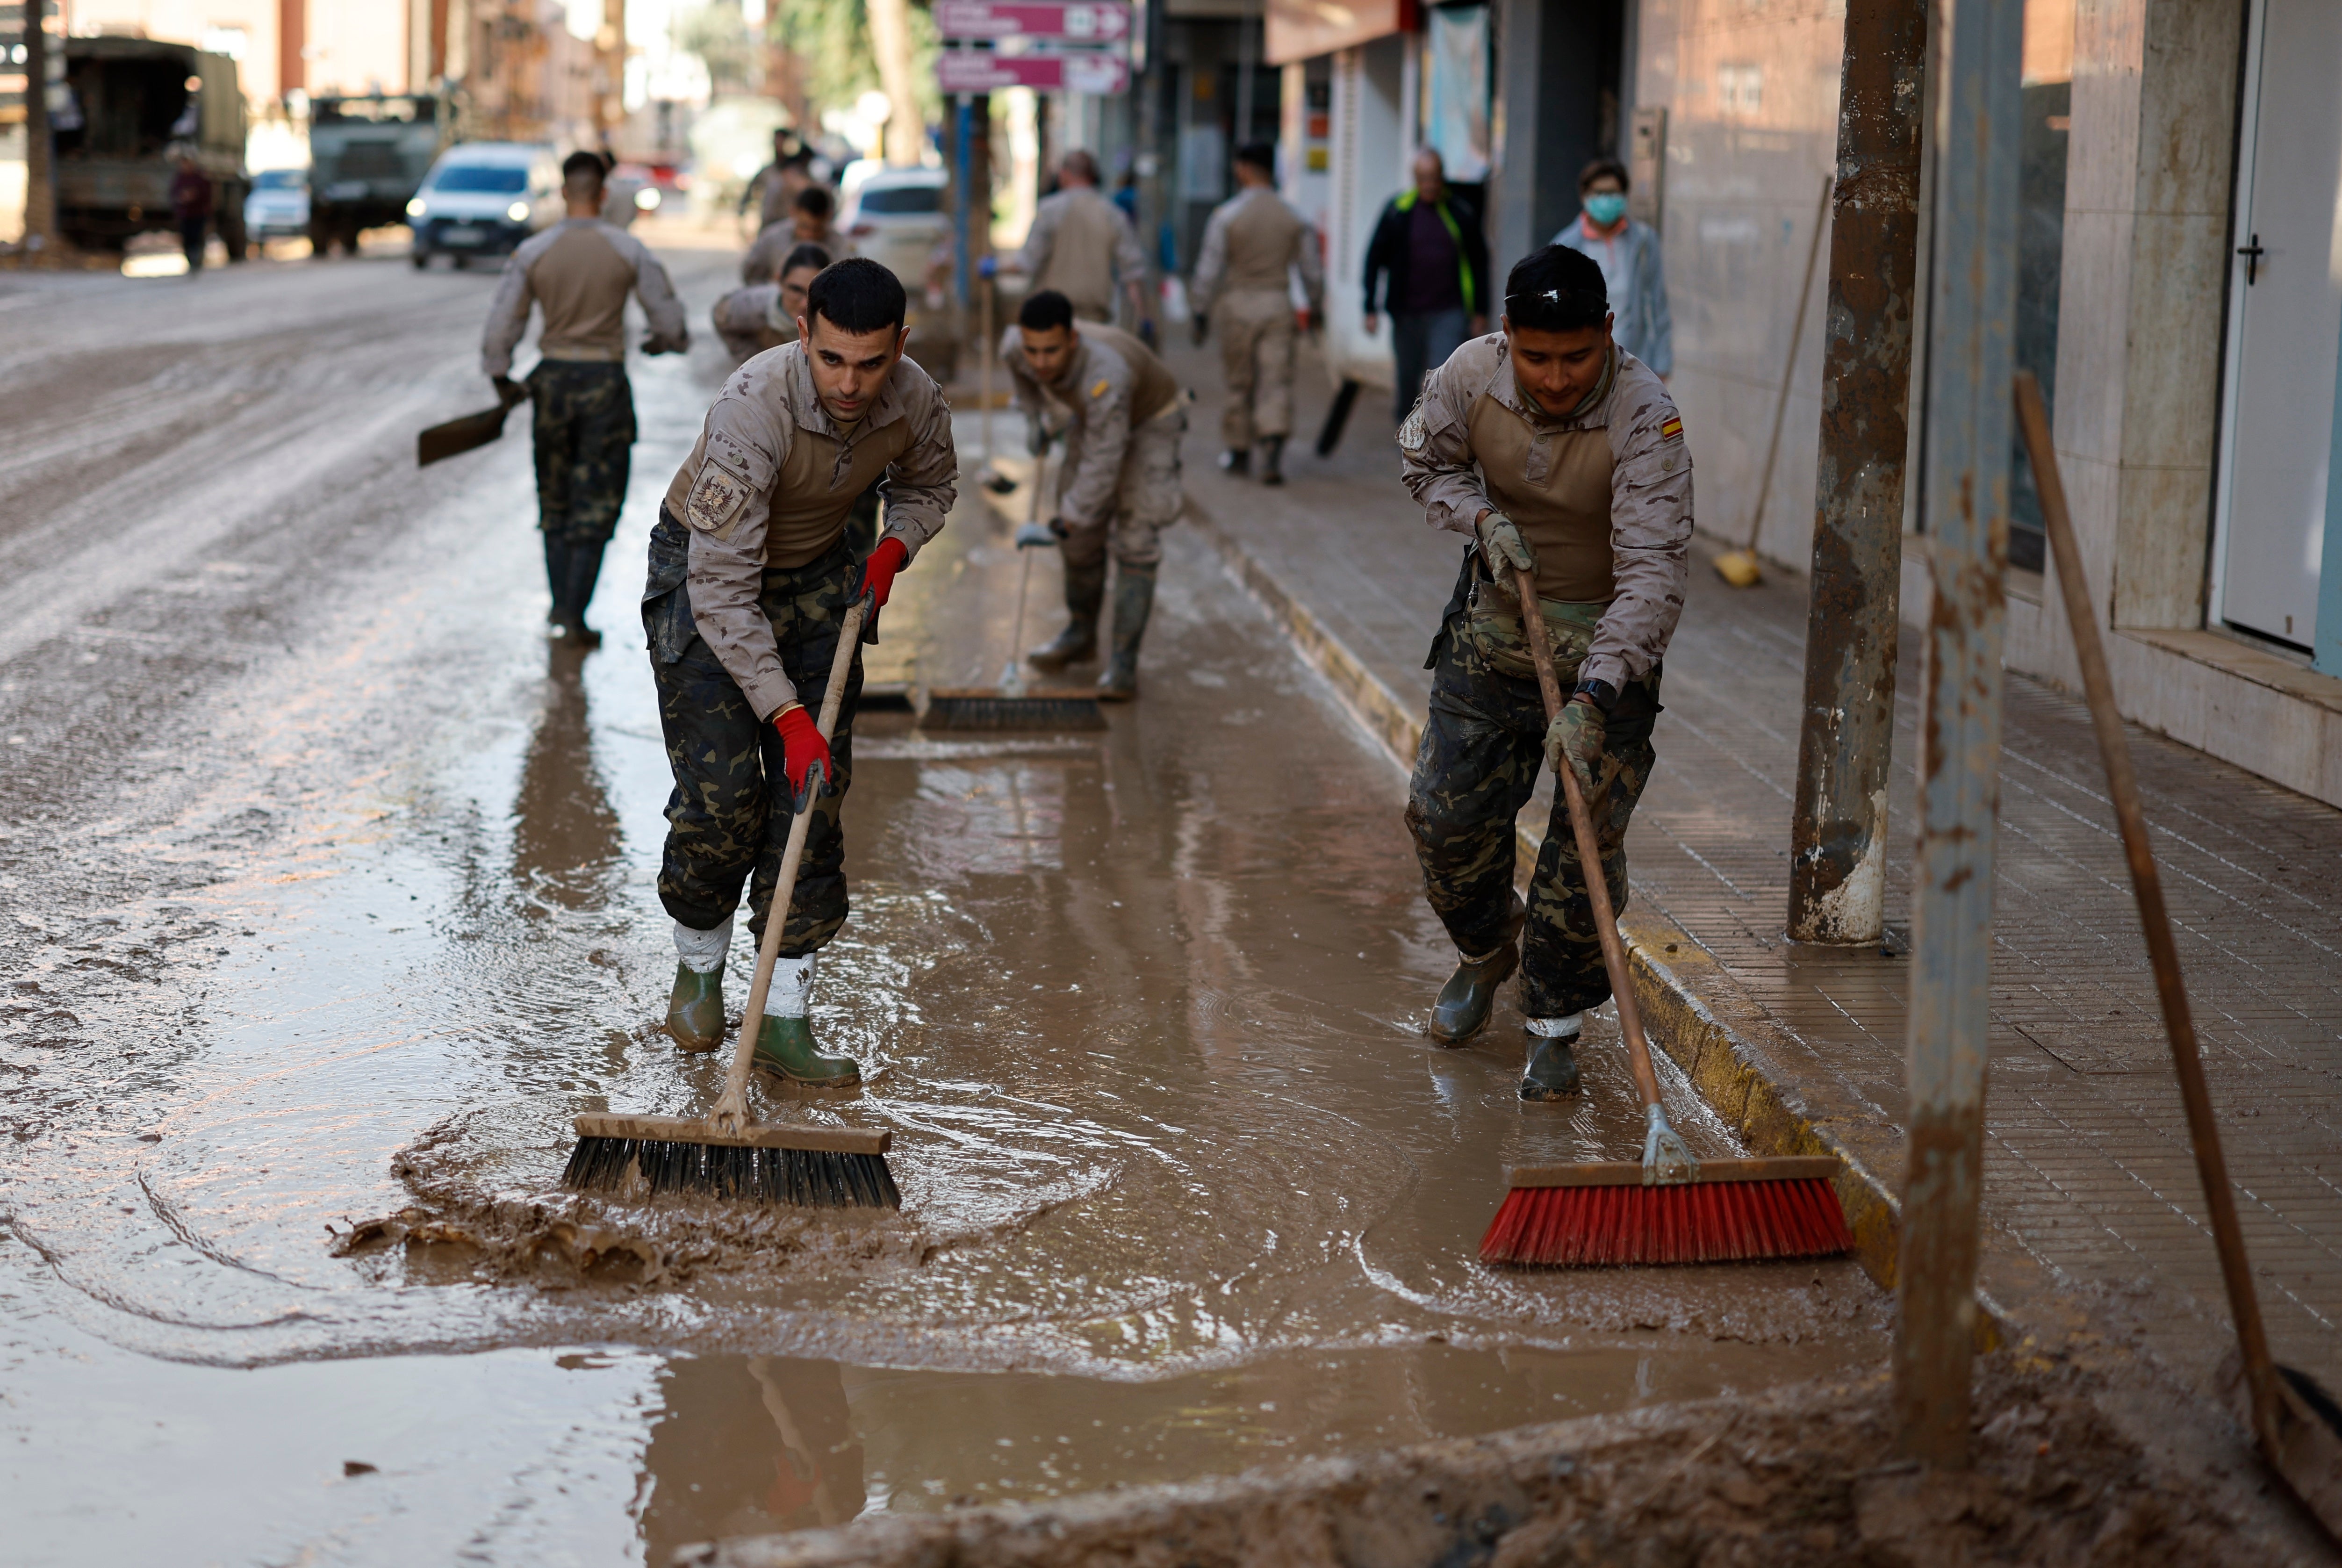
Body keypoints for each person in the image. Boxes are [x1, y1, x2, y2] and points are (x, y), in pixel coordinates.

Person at [646, 258, 957, 1086]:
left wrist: (896, 544)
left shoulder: (916, 395)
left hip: (823, 575)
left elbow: (932, 484)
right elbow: (723, 590)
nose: (851, 383)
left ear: (899, 345)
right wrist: (785, 714)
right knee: (723, 798)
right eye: (831, 359)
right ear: (802, 335)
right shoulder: (753, 408)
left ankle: (784, 1017)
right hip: (708, 578)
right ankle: (699, 971)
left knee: (812, 800)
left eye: (871, 362)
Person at [1397, 245, 1692, 1101]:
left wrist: (1597, 695)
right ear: (1506, 334)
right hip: (1493, 643)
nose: (1557, 378)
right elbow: (1424, 462)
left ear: (1607, 332)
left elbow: (1654, 573)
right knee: (1443, 823)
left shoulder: (1648, 416)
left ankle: (1554, 1026)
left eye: (1576, 357)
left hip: (1607, 662)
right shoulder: (1467, 376)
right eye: (1536, 357)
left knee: (1579, 864)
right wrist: (1478, 517)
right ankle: (1491, 951)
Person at [482, 151, 690, 646]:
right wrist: (660, 343)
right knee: (597, 503)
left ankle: (561, 609)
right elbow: (671, 326)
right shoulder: (627, 249)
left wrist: (501, 377)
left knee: (554, 498)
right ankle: (575, 613)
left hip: (550, 382)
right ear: (602, 193)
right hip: (604, 383)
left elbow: (500, 328)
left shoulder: (534, 252)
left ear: (562, 192)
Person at [1000, 288, 1185, 701]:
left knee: (1135, 539)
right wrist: (1035, 416)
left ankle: (1122, 662)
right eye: (1034, 351)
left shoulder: (1107, 374)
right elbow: (1020, 371)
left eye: (1051, 351)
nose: (1041, 362)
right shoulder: (1016, 346)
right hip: (1095, 418)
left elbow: (1104, 462)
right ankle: (1082, 635)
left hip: (1151, 421)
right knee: (1079, 540)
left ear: (1073, 340)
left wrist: (1065, 519)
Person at [1189, 141, 1323, 486]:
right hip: (1278, 304)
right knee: (1276, 379)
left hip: (1237, 304)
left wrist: (1200, 310)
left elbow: (1209, 269)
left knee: (1240, 381)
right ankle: (1272, 449)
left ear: (1244, 169)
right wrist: (1317, 306)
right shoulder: (1294, 217)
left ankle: (1239, 450)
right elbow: (1311, 270)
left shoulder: (1227, 216)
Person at [1363, 150, 1490, 424]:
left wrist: (1480, 310)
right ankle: (1407, 432)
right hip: (1406, 313)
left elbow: (1479, 262)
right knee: (1408, 378)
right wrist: (1369, 307)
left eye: (1435, 179)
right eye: (1424, 179)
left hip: (1449, 312)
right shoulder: (1398, 212)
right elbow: (1374, 259)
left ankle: (1439, 437)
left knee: (1442, 378)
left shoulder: (1460, 212)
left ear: (1442, 178)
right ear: (1415, 179)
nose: (1430, 186)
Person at [1552, 158, 1672, 378]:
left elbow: (1658, 306)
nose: (1606, 200)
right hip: (1583, 363)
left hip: (1633, 361)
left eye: (1613, 193)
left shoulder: (1644, 241)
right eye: (1599, 193)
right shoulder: (1565, 246)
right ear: (1584, 196)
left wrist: (1662, 364)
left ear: (1624, 196)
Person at [1014, 150, 1149, 330]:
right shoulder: (1113, 215)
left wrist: (992, 267)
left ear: (1064, 174)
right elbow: (1133, 275)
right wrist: (1145, 318)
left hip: (1051, 321)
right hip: (1097, 321)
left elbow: (1026, 264)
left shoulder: (1049, 211)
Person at [712, 242, 831, 361]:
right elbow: (720, 316)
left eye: (814, 293)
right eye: (796, 290)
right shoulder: (751, 306)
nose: (805, 303)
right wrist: (753, 360)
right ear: (779, 280)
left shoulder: (834, 318)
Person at [743, 184, 848, 285]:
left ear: (828, 217)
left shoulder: (842, 246)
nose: (809, 235)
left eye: (817, 229)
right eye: (804, 227)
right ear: (793, 212)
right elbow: (751, 275)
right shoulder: (772, 238)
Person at [740, 128, 815, 233]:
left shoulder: (799, 173)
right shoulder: (767, 172)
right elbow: (749, 194)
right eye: (776, 142)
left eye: (782, 142)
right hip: (768, 225)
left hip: (791, 228)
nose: (778, 146)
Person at [169, 154, 212, 271]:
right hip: (185, 214)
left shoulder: (199, 178)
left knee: (197, 236)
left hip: (198, 213)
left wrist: (195, 195)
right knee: (187, 238)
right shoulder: (180, 179)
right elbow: (174, 193)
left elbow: (206, 194)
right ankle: (191, 260)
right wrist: (182, 198)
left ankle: (197, 259)